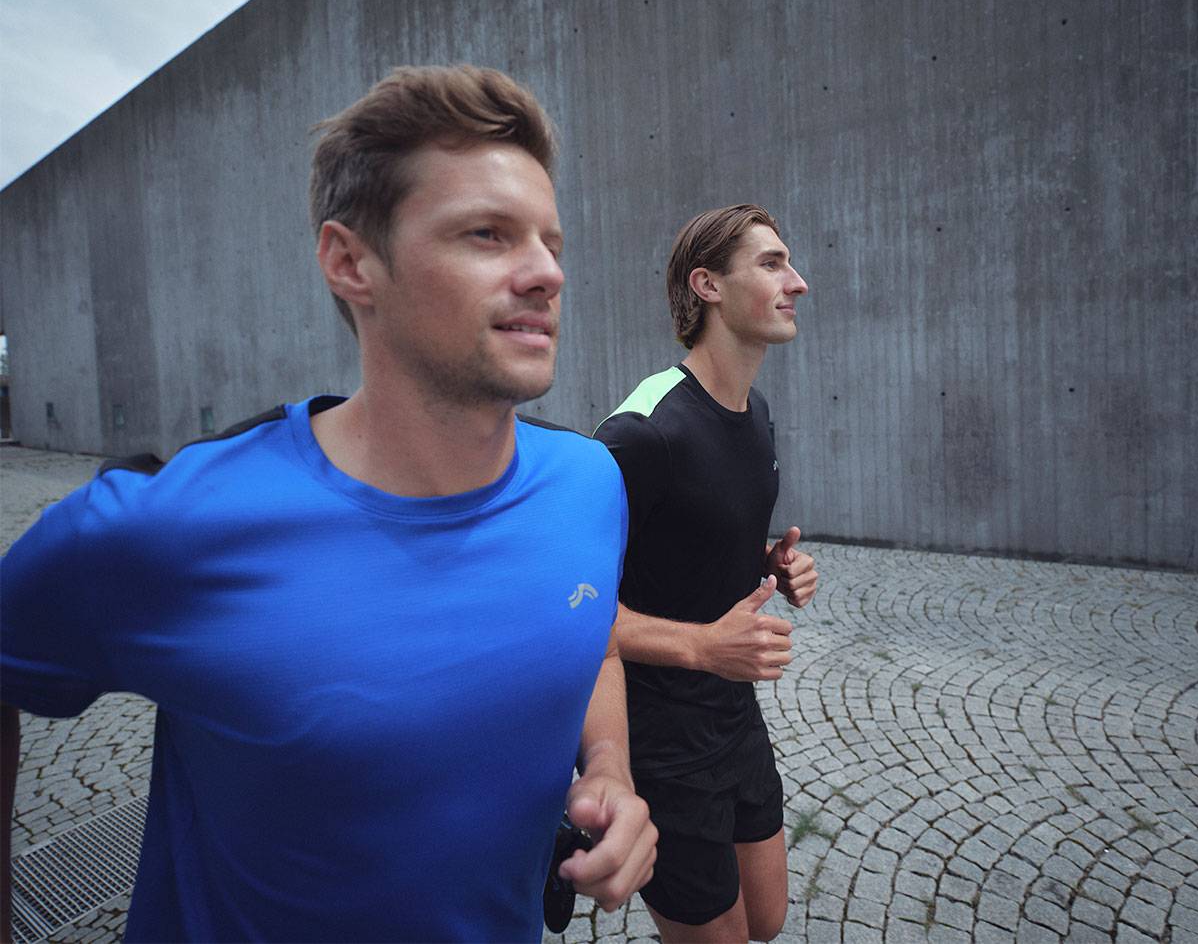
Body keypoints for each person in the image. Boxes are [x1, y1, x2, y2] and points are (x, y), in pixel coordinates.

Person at [1, 65, 656, 942]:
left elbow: (593, 637)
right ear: (351, 262)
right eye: (488, 235)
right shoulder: (174, 526)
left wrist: (609, 765)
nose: (545, 273)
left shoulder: (589, 484)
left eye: (551, 242)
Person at [593, 204, 819, 941]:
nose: (798, 282)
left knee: (769, 920)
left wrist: (768, 564)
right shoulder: (641, 433)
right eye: (773, 263)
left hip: (734, 718)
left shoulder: (756, 412)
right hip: (660, 739)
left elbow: (690, 541)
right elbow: (573, 607)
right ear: (708, 285)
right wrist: (699, 647)